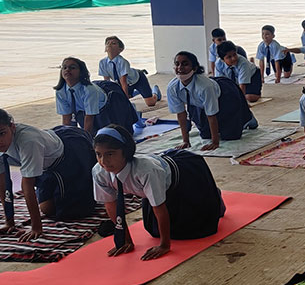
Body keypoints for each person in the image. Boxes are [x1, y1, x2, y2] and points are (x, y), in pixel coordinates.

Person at [92, 124, 225, 261]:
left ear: (125, 152)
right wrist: (125, 240)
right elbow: (111, 205)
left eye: (110, 154)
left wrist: (164, 245)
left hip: (184, 174)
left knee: (197, 227)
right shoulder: (99, 172)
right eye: (98, 154)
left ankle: (214, 196)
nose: (104, 161)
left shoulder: (145, 170)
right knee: (153, 230)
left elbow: (159, 207)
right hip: (156, 183)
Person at [0, 109, 96, 241]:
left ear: (12, 126)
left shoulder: (28, 141)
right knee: (46, 208)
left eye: (2, 133)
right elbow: (2, 183)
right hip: (46, 164)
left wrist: (36, 227)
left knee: (74, 210)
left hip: (69, 152)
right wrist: (9, 221)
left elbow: (27, 184)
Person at [166, 51, 257, 151]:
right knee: (206, 135)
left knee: (231, 135)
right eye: (177, 64)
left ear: (195, 68)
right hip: (198, 103)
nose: (180, 68)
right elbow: (181, 114)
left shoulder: (205, 87)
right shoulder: (172, 87)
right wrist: (185, 141)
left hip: (225, 94)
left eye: (185, 64)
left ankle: (249, 119)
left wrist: (215, 142)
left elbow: (211, 115)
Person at [55, 57, 137, 135]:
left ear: (81, 72)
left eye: (72, 68)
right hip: (82, 111)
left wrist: (85, 138)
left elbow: (89, 118)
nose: (67, 70)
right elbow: (66, 117)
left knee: (110, 135)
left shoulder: (89, 90)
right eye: (64, 67)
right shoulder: (60, 91)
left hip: (105, 109)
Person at [99, 36, 162, 108]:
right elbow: (107, 82)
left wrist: (125, 103)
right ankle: (137, 92)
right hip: (124, 83)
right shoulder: (102, 62)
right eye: (107, 43)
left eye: (113, 43)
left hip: (138, 79)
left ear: (120, 49)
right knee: (119, 97)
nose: (109, 45)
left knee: (151, 103)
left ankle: (155, 92)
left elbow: (124, 82)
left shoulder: (122, 62)